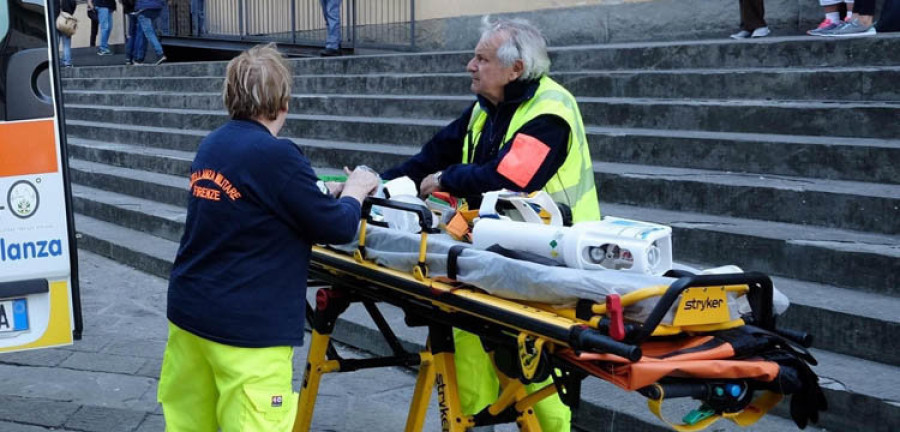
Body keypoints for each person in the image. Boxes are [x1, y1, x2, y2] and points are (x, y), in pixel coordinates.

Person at [382, 16, 601, 432]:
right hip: (491, 254)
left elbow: (509, 180)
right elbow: (429, 157)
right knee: (464, 336)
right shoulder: (487, 108)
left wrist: (447, 179)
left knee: (535, 365)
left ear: (515, 69)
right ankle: (469, 422)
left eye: (481, 58)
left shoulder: (550, 112)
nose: (470, 65)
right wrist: (374, 184)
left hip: (551, 261)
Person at [156, 43, 379, 431]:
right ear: (284, 103)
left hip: (190, 313)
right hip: (247, 330)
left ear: (229, 96)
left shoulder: (214, 143)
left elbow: (260, 202)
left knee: (190, 424)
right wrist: (357, 189)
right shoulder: (278, 155)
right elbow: (339, 227)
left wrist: (321, 194)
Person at [134, 0, 168, 65]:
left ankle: (160, 54)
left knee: (149, 33)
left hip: (144, 8)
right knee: (145, 32)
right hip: (157, 7)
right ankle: (140, 58)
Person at [122, 0, 146, 65]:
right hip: (138, 8)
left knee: (131, 34)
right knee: (139, 33)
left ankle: (129, 58)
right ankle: (137, 57)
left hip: (129, 9)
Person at [58, 0, 76, 67]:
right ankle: (67, 61)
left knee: (56, 43)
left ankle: (56, 61)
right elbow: (73, 4)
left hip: (57, 20)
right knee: (67, 43)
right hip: (68, 20)